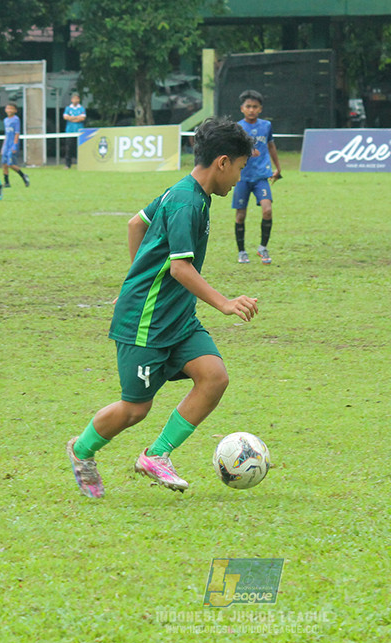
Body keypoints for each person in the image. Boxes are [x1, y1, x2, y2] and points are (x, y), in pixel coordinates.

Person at [65, 117, 258, 499]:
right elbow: (179, 268)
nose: (238, 179)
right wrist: (224, 303)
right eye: (239, 168)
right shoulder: (186, 202)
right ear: (222, 162)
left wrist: (136, 275)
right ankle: (82, 450)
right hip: (146, 321)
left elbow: (135, 224)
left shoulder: (186, 192)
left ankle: (156, 455)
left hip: (178, 318)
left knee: (214, 377)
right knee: (135, 409)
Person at [233, 90, 282, 264]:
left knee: (267, 210)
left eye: (255, 107)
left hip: (261, 176)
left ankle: (263, 247)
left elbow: (271, 146)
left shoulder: (266, 126)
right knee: (240, 215)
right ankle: (241, 251)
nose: (251, 110)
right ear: (242, 108)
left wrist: (278, 168)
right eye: (248, 106)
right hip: (242, 177)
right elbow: (233, 151)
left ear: (260, 109)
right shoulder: (237, 128)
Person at [1, 102, 30, 188]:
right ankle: (7, 182)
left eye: (11, 108)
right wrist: (3, 146)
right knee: (4, 163)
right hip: (6, 144)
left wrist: (15, 145)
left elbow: (17, 133)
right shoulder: (5, 120)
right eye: (8, 108)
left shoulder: (16, 119)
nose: (9, 110)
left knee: (10, 164)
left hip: (12, 144)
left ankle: (23, 175)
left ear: (15, 110)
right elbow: (6, 134)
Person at [62, 93, 86, 169]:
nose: (76, 100)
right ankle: (67, 165)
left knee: (79, 148)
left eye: (77, 98)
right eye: (74, 98)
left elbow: (82, 118)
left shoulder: (81, 108)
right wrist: (76, 118)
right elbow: (65, 117)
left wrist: (72, 118)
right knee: (69, 148)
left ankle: (81, 164)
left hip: (79, 131)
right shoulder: (68, 108)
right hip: (70, 131)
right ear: (72, 100)